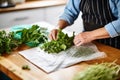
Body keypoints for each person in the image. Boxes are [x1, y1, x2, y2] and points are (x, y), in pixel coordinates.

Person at [49, 0, 120, 49]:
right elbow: (69, 13)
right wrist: (58, 27)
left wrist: (90, 35)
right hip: (89, 44)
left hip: (114, 45)